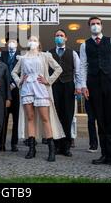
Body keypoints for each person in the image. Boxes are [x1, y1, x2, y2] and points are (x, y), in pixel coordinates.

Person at [80, 16, 111, 168]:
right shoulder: (84, 45)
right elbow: (83, 66)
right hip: (93, 83)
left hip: (110, 82)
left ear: (102, 26)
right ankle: (104, 154)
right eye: (92, 24)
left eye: (97, 24)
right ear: (89, 27)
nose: (95, 26)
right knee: (99, 118)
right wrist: (83, 86)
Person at [11, 36, 64, 162]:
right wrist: (20, 80)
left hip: (41, 88)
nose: (32, 41)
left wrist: (48, 80)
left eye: (35, 40)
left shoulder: (45, 56)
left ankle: (51, 149)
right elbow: (14, 72)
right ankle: (32, 148)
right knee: (30, 118)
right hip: (27, 89)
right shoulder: (23, 57)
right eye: (30, 40)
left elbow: (58, 69)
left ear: (39, 43)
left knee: (45, 118)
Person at [49, 29, 82, 157]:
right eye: (57, 35)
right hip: (54, 86)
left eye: (61, 36)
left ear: (66, 38)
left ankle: (66, 146)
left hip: (69, 85)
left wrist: (78, 86)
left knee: (68, 117)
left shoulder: (72, 53)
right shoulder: (49, 53)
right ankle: (56, 146)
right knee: (56, 116)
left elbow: (78, 71)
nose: (59, 37)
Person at [0, 38, 20, 152]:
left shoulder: (21, 56)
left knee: (16, 118)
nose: (11, 43)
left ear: (17, 44)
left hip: (17, 91)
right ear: (6, 43)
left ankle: (14, 143)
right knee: (3, 117)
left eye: (14, 41)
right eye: (10, 41)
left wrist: (15, 83)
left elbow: (24, 71)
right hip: (4, 90)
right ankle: (1, 143)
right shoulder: (2, 55)